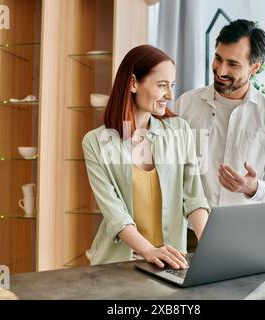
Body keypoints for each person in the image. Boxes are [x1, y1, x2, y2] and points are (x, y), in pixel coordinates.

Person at [82, 45, 210, 269]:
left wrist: (210, 246)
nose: (169, 95)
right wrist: (149, 251)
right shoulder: (95, 142)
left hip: (171, 261)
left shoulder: (180, 131)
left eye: (171, 86)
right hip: (119, 264)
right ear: (133, 83)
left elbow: (194, 197)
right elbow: (115, 214)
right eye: (162, 85)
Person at [174, 19, 265, 207]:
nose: (221, 71)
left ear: (255, 67)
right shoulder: (185, 104)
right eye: (218, 58)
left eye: (233, 64)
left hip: (244, 229)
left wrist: (253, 188)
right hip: (189, 229)